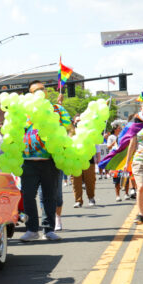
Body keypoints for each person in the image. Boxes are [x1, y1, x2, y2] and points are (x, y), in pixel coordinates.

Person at [18, 81, 63, 242]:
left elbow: (69, 128)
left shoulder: (56, 109)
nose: (39, 93)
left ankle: (49, 229)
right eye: (35, 91)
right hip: (28, 161)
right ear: (30, 94)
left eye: (41, 90)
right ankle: (32, 229)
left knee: (49, 197)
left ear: (45, 92)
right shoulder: (24, 111)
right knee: (28, 196)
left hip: (50, 161)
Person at [71, 119, 96, 208]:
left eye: (80, 121)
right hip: (75, 161)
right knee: (76, 182)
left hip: (88, 160)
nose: (78, 123)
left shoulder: (88, 133)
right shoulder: (71, 134)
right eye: (77, 121)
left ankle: (91, 198)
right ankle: (78, 200)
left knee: (90, 181)